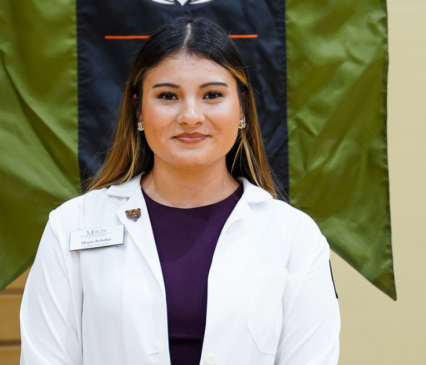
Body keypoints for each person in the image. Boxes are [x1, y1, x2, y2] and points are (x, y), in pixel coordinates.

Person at [20, 16, 340, 365]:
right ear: (137, 108)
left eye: (212, 95)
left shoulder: (295, 237)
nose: (190, 115)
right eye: (168, 95)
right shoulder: (71, 226)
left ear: (243, 108)